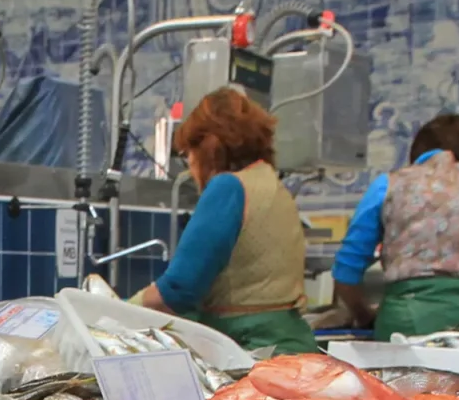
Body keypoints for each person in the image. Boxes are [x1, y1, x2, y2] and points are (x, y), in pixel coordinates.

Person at [130, 89, 319, 355]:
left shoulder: (228, 187)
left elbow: (178, 290)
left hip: (254, 351)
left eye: (189, 153)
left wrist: (117, 311)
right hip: (291, 345)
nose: (190, 165)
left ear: (208, 146)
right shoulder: (271, 184)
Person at [332, 113, 459, 339]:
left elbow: (347, 268)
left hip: (412, 320)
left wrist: (363, 315)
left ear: (416, 151)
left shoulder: (390, 185)